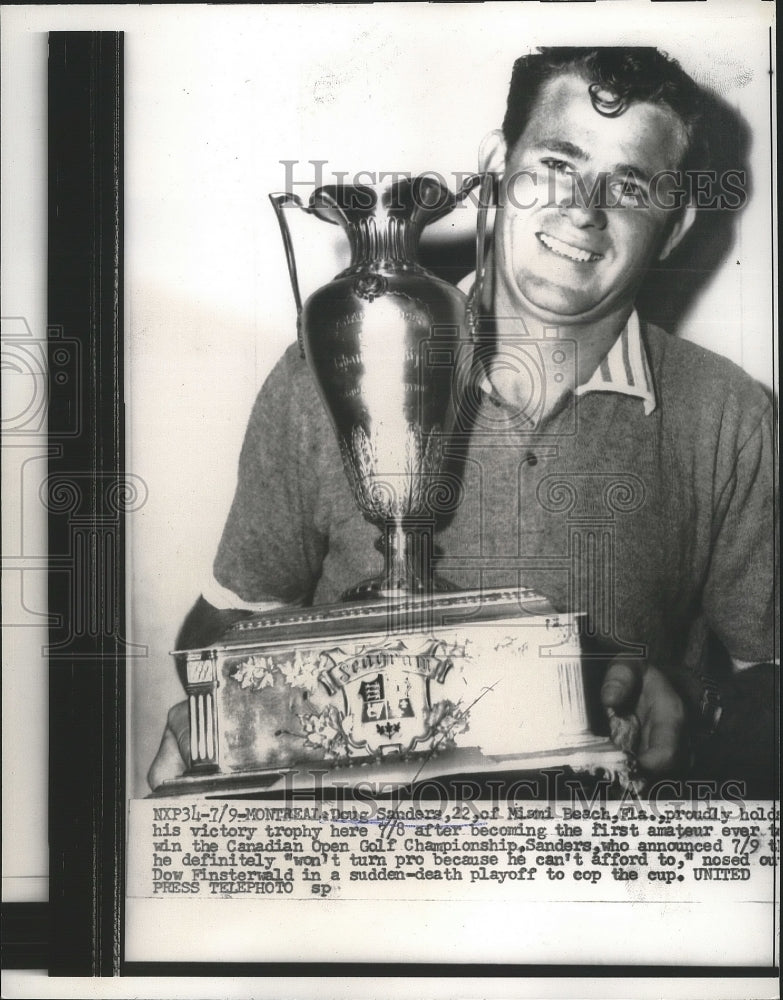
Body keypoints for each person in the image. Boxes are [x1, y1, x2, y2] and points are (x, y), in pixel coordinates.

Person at [148, 47, 777, 794]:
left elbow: (763, 688)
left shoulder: (728, 414)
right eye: (557, 163)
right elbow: (219, 632)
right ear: (495, 168)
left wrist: (697, 709)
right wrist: (231, 714)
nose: (583, 209)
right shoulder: (331, 366)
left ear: (673, 227)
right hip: (356, 876)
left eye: (630, 185)